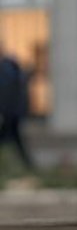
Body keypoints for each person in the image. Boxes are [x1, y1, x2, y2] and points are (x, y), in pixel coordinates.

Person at [0, 41, 34, 170]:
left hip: (10, 113)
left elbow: (7, 93)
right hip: (12, 113)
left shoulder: (7, 68)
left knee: (14, 140)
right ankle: (28, 166)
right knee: (16, 141)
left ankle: (28, 166)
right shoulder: (10, 67)